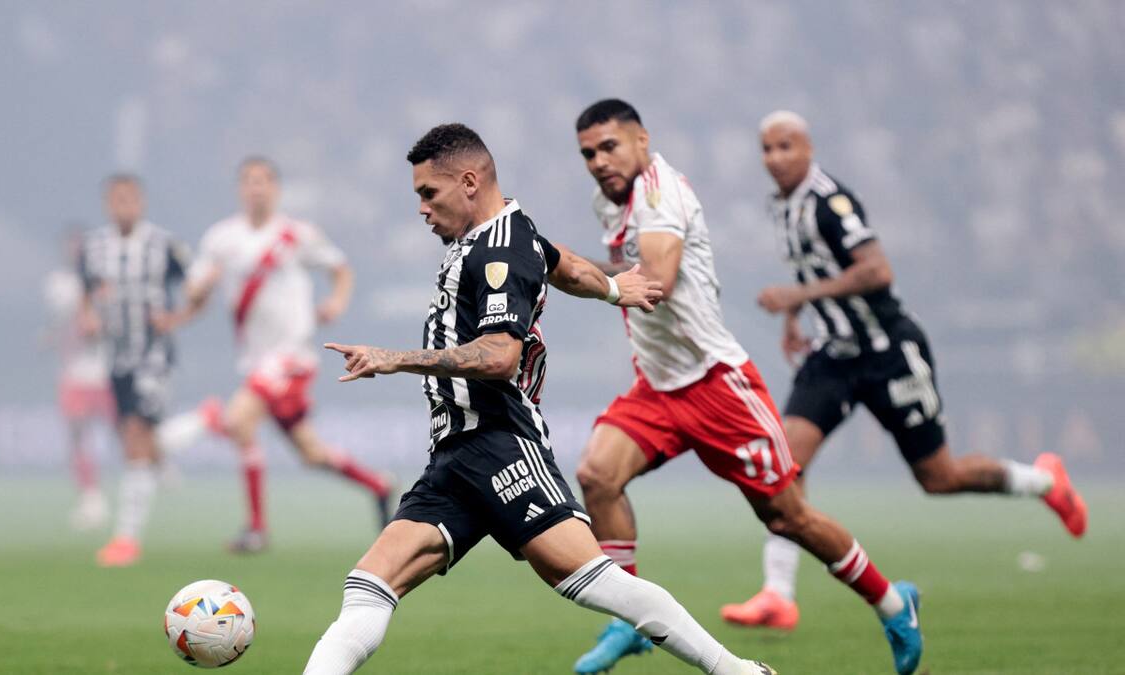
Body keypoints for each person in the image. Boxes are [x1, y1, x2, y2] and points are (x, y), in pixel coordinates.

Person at [301, 123, 775, 675]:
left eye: (429, 194)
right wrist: (616, 287)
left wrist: (394, 358)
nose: (422, 209)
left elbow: (501, 356)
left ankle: (736, 671)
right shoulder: (507, 235)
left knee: (596, 581)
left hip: (501, 443)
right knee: (366, 587)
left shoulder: (499, 248)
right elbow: (563, 263)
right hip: (455, 456)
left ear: (470, 182)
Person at [567, 99, 923, 675]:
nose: (598, 161)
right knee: (596, 476)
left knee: (788, 518)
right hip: (657, 386)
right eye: (587, 153)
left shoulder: (661, 195)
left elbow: (654, 282)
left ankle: (892, 602)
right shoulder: (606, 201)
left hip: (717, 385)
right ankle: (626, 621)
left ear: (641, 140)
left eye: (609, 146)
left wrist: (565, 267)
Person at [721, 110, 1088, 632]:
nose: (775, 158)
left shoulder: (830, 202)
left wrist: (796, 296)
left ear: (808, 148)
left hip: (888, 350)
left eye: (785, 146)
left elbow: (876, 270)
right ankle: (778, 595)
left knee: (939, 477)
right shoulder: (781, 205)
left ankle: (1042, 480)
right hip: (834, 355)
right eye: (766, 149)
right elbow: (811, 268)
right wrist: (795, 316)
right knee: (784, 467)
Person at [162, 157, 392, 553]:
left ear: (276, 189)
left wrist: (336, 302)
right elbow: (195, 294)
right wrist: (196, 295)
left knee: (236, 419)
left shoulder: (295, 234)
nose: (257, 188)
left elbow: (341, 269)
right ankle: (379, 485)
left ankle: (254, 524)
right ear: (240, 189)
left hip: (291, 355)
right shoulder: (221, 239)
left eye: (264, 181)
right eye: (250, 181)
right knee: (310, 453)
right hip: (255, 358)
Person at [79, 175, 190, 567]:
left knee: (136, 435)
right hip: (117, 357)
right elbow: (86, 292)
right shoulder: (94, 247)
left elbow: (196, 286)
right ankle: (204, 422)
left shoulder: (162, 245)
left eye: (130, 199)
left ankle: (126, 539)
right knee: (131, 435)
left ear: (141, 202)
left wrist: (177, 317)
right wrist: (89, 317)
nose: (123, 206)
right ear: (108, 203)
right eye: (116, 199)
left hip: (153, 354)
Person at [43, 228, 113, 530]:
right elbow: (63, 323)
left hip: (106, 370)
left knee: (128, 432)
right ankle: (90, 495)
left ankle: (157, 467)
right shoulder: (59, 284)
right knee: (77, 434)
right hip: (75, 372)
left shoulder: (107, 282)